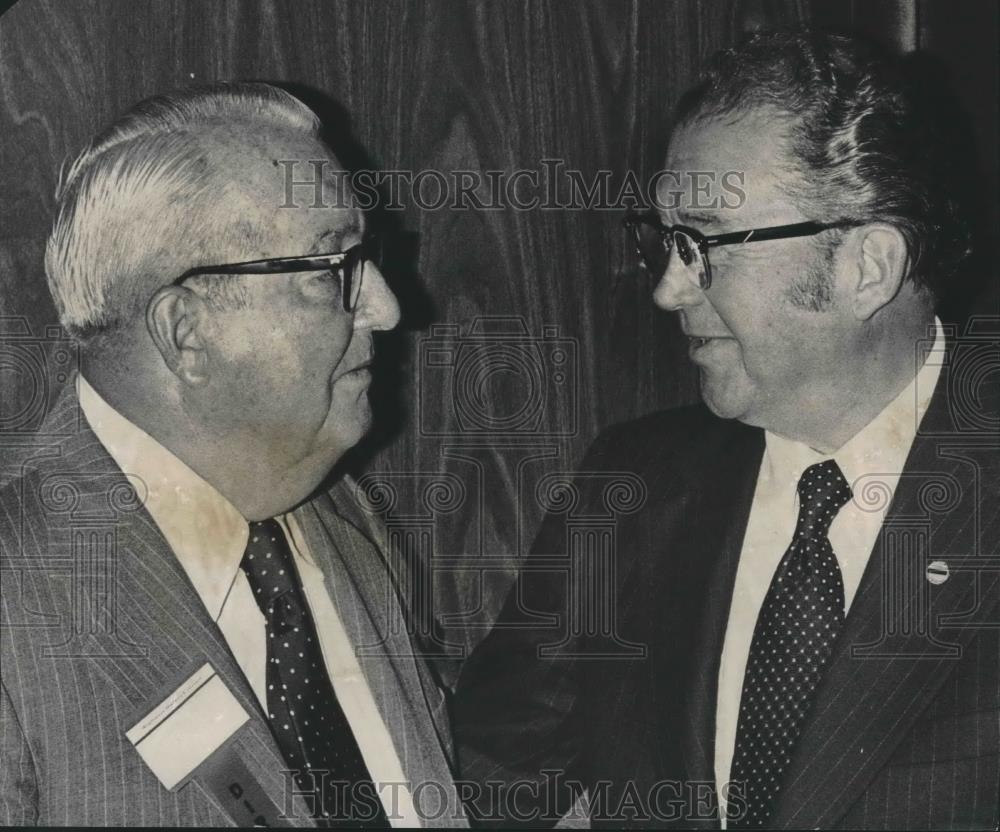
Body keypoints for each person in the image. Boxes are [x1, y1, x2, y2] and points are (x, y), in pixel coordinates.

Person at [453, 30, 998, 830]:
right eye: (666, 243)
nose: (671, 290)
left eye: (706, 244)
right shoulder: (632, 483)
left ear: (867, 267)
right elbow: (487, 779)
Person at [0, 83, 466, 827]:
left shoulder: (338, 506)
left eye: (366, 258)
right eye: (330, 268)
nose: (386, 306)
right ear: (187, 332)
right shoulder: (18, 599)